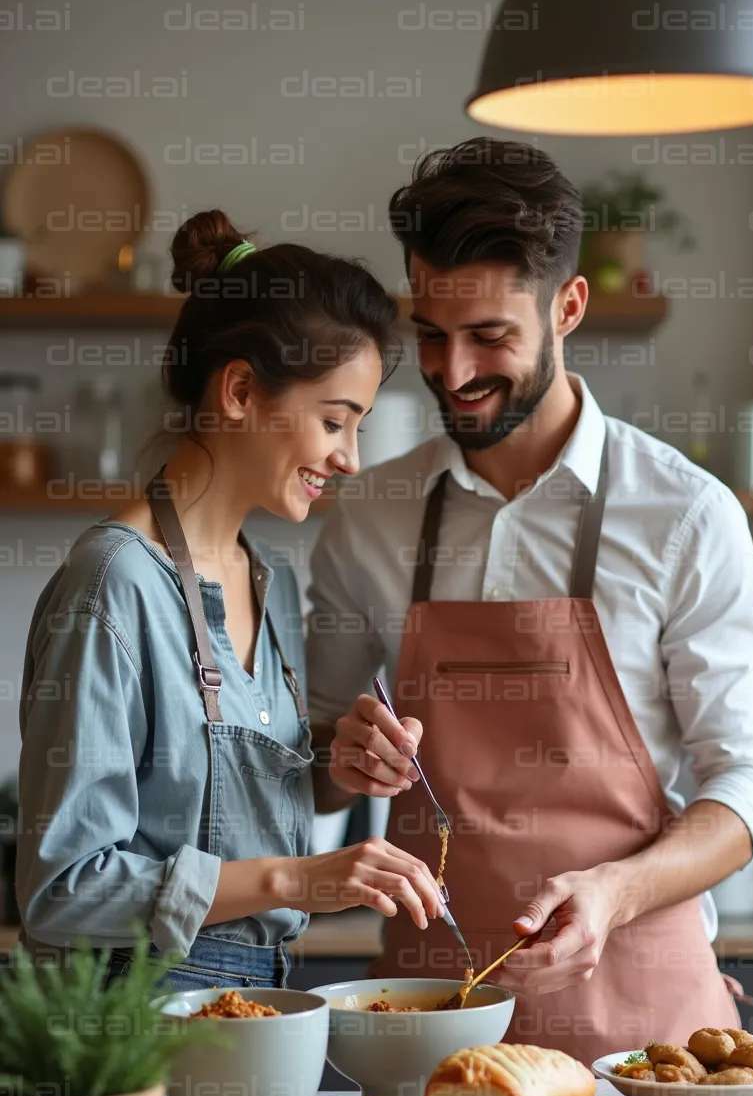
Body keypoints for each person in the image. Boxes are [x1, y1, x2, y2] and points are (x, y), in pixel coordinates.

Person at [307, 139, 753, 1061]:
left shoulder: (684, 514)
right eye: (430, 332)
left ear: (569, 306)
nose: (452, 369)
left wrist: (613, 895)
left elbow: (748, 789)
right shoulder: (371, 516)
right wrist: (342, 758)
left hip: (647, 1047)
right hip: (429, 1033)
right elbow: (309, 767)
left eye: (491, 336)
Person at [15, 209, 444, 991]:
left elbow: (236, 802)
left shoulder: (263, 576)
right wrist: (296, 881)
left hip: (251, 1008)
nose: (349, 459)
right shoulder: (114, 584)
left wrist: (338, 766)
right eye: (334, 422)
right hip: (126, 1033)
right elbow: (61, 891)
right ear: (242, 389)